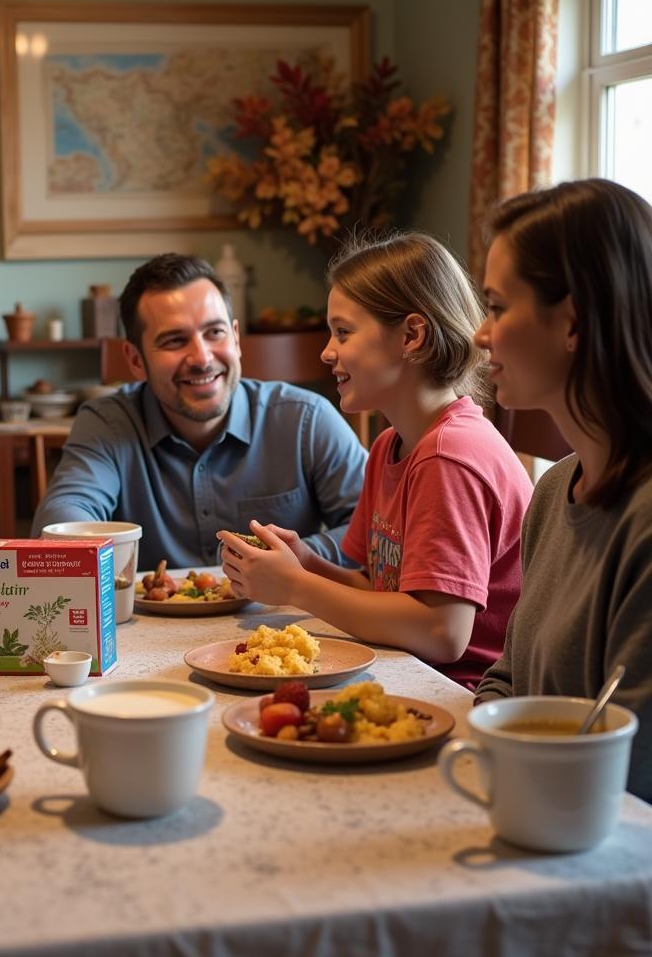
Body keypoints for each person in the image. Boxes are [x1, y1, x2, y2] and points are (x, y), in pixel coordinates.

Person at [220, 233, 534, 690]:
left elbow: (442, 632)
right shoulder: (391, 446)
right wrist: (308, 564)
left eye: (343, 332)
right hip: (412, 670)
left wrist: (295, 588)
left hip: (463, 693)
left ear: (411, 335)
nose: (327, 351)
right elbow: (383, 592)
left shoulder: (450, 457)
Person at [473, 179, 652, 801]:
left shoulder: (645, 520)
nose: (479, 333)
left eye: (497, 307)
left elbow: (632, 771)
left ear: (572, 322)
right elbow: (508, 677)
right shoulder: (551, 492)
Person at [31, 253, 367, 570]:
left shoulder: (304, 419)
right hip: (154, 631)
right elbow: (60, 525)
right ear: (135, 360)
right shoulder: (107, 425)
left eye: (214, 332)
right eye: (175, 341)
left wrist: (297, 559)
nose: (203, 358)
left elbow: (377, 528)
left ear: (235, 339)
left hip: (284, 627)